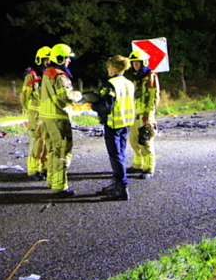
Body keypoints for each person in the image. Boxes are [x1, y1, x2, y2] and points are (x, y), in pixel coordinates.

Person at [39, 43, 83, 197]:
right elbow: (65, 97)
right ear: (59, 58)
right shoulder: (60, 75)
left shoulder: (47, 72)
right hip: (58, 117)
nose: (69, 61)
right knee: (62, 151)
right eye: (67, 58)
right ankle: (59, 187)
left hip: (47, 117)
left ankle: (51, 180)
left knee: (52, 150)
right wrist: (78, 95)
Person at [91, 55, 135, 201]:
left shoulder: (109, 84)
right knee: (120, 154)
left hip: (113, 124)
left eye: (109, 67)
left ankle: (121, 187)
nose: (108, 70)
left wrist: (93, 104)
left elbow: (106, 106)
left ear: (114, 68)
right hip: (126, 123)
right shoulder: (129, 83)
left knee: (115, 155)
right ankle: (116, 183)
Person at [125, 49, 160, 177]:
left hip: (145, 115)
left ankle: (148, 169)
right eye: (133, 62)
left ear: (143, 62)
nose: (135, 65)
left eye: (138, 62)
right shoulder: (131, 77)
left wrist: (148, 114)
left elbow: (154, 97)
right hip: (133, 114)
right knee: (134, 141)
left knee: (145, 142)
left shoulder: (150, 76)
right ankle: (137, 165)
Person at [20, 46, 51, 180]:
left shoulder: (50, 74)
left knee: (47, 141)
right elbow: (24, 94)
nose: (48, 61)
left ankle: (45, 167)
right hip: (35, 113)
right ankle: (33, 170)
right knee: (37, 141)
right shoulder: (32, 75)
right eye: (46, 59)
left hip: (47, 112)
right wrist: (26, 109)